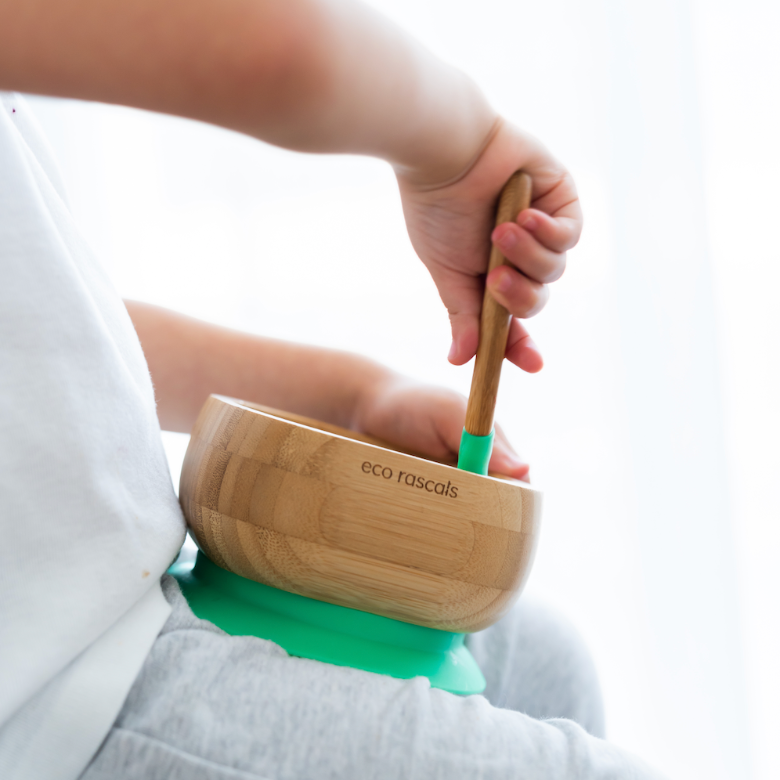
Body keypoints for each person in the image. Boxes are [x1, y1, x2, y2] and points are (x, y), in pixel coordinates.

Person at [0, 1, 664, 778]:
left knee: (542, 659)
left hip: (119, 620)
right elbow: (278, 49)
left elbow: (46, 328)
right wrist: (463, 147)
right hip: (57, 707)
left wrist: (356, 396)